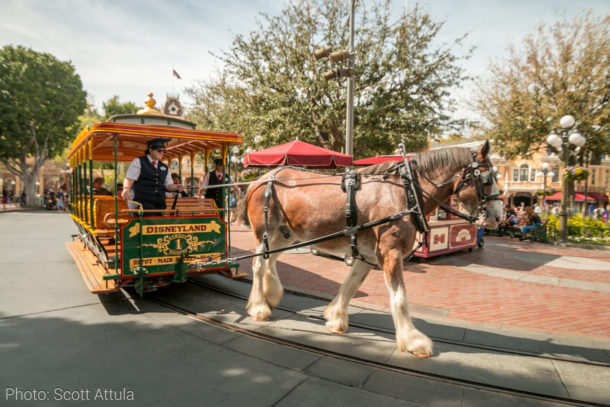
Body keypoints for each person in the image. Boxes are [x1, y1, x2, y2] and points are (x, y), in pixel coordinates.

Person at [121, 138, 183, 216]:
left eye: (163, 151)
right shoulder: (139, 161)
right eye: (159, 151)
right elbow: (129, 178)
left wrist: (176, 187)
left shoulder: (165, 167)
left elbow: (168, 185)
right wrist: (126, 188)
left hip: (159, 205)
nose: (162, 153)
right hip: (141, 204)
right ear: (150, 150)